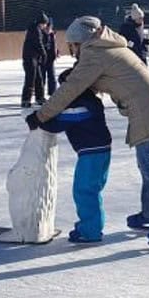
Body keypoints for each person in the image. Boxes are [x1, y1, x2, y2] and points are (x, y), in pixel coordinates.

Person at [26, 15, 149, 246]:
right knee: (148, 163)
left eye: (72, 46)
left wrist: (41, 115)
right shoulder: (107, 47)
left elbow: (70, 91)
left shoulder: (94, 53)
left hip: (148, 109)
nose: (72, 51)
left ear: (80, 42)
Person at [39, 67, 112, 243]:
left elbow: (59, 123)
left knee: (84, 190)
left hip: (91, 152)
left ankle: (91, 231)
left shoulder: (80, 105)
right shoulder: (88, 100)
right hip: (100, 150)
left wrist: (39, 120)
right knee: (92, 190)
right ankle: (91, 226)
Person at [21, 12, 48, 108]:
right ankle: (26, 99)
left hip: (34, 58)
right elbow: (38, 43)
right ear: (42, 23)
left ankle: (40, 97)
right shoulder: (35, 30)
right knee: (30, 79)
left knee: (38, 78)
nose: (45, 26)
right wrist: (44, 54)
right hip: (30, 58)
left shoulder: (35, 29)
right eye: (45, 24)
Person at [41, 18, 59, 96]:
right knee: (42, 76)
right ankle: (40, 93)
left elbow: (54, 45)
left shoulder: (52, 35)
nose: (48, 29)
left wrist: (56, 52)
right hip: (42, 58)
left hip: (51, 58)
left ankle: (52, 92)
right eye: (47, 27)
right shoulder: (40, 35)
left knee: (51, 76)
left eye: (50, 27)